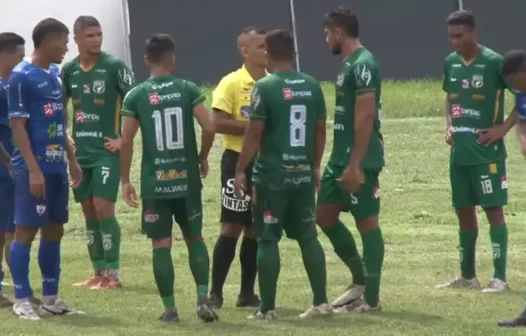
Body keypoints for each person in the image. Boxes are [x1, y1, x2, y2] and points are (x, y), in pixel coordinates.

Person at [120, 33, 218, 323]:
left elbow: (126, 141)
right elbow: (209, 126)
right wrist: (201, 156)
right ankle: (202, 299)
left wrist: (125, 179)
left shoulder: (136, 95)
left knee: (160, 244)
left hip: (156, 183)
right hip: (186, 180)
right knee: (195, 237)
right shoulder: (187, 89)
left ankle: (170, 309)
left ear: (146, 60)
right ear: (172, 58)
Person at [233, 29, 331, 320]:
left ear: (268, 54)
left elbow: (254, 132)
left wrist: (240, 169)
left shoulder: (265, 86)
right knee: (308, 236)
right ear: (294, 53)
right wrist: (314, 166)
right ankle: (321, 302)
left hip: (272, 177)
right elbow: (320, 129)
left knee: (267, 239)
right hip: (301, 174)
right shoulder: (312, 85)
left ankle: (267, 308)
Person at [7, 18, 83, 320]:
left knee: (55, 228)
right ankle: (22, 299)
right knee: (26, 229)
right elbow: (17, 127)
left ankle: (50, 297)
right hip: (32, 169)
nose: (67, 48)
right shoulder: (20, 78)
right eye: (64, 42)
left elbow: (60, 120)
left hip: (57, 168)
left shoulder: (54, 74)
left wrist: (71, 159)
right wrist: (33, 170)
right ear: (50, 40)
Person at [437, 10, 517, 293]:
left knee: (493, 210)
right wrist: (449, 125)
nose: (455, 42)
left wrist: (502, 129)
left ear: (474, 32)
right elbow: (449, 97)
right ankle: (468, 276)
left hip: (487, 153)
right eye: (451, 37)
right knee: (463, 211)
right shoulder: (450, 63)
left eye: (460, 36)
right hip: (460, 153)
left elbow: (522, 96)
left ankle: (499, 278)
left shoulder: (495, 62)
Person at [316, 7, 384, 313]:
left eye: (327, 33)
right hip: (339, 158)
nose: (326, 39)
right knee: (324, 215)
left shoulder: (364, 63)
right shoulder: (348, 65)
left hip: (361, 160)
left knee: (367, 223)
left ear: (338, 32)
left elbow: (366, 114)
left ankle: (371, 299)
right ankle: (359, 281)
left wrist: (356, 162)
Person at [62, 16, 135, 290]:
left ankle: (113, 276)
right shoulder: (69, 70)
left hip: (106, 152)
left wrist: (123, 139)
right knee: (89, 212)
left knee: (104, 209)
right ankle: (97, 272)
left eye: (99, 35)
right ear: (77, 38)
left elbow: (135, 102)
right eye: (90, 36)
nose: (96, 40)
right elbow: (60, 104)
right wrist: (65, 133)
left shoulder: (114, 66)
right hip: (80, 154)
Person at [209, 26, 267, 309]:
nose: (266, 51)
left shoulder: (273, 82)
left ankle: (247, 294)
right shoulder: (231, 82)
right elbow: (216, 123)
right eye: (260, 47)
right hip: (235, 162)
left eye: (268, 46)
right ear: (245, 52)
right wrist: (253, 128)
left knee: (255, 229)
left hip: (264, 163)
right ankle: (215, 293)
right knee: (231, 226)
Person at [496, 49, 526, 327]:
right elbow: (522, 119)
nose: (515, 89)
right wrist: (523, 139)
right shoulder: (521, 93)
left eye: (517, 82)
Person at [0, 32, 25, 307]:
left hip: (10, 168)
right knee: (6, 229)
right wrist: (8, 162)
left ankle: (20, 286)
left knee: (12, 229)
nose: (22, 61)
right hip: (4, 170)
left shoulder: (10, 85)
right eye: (19, 56)